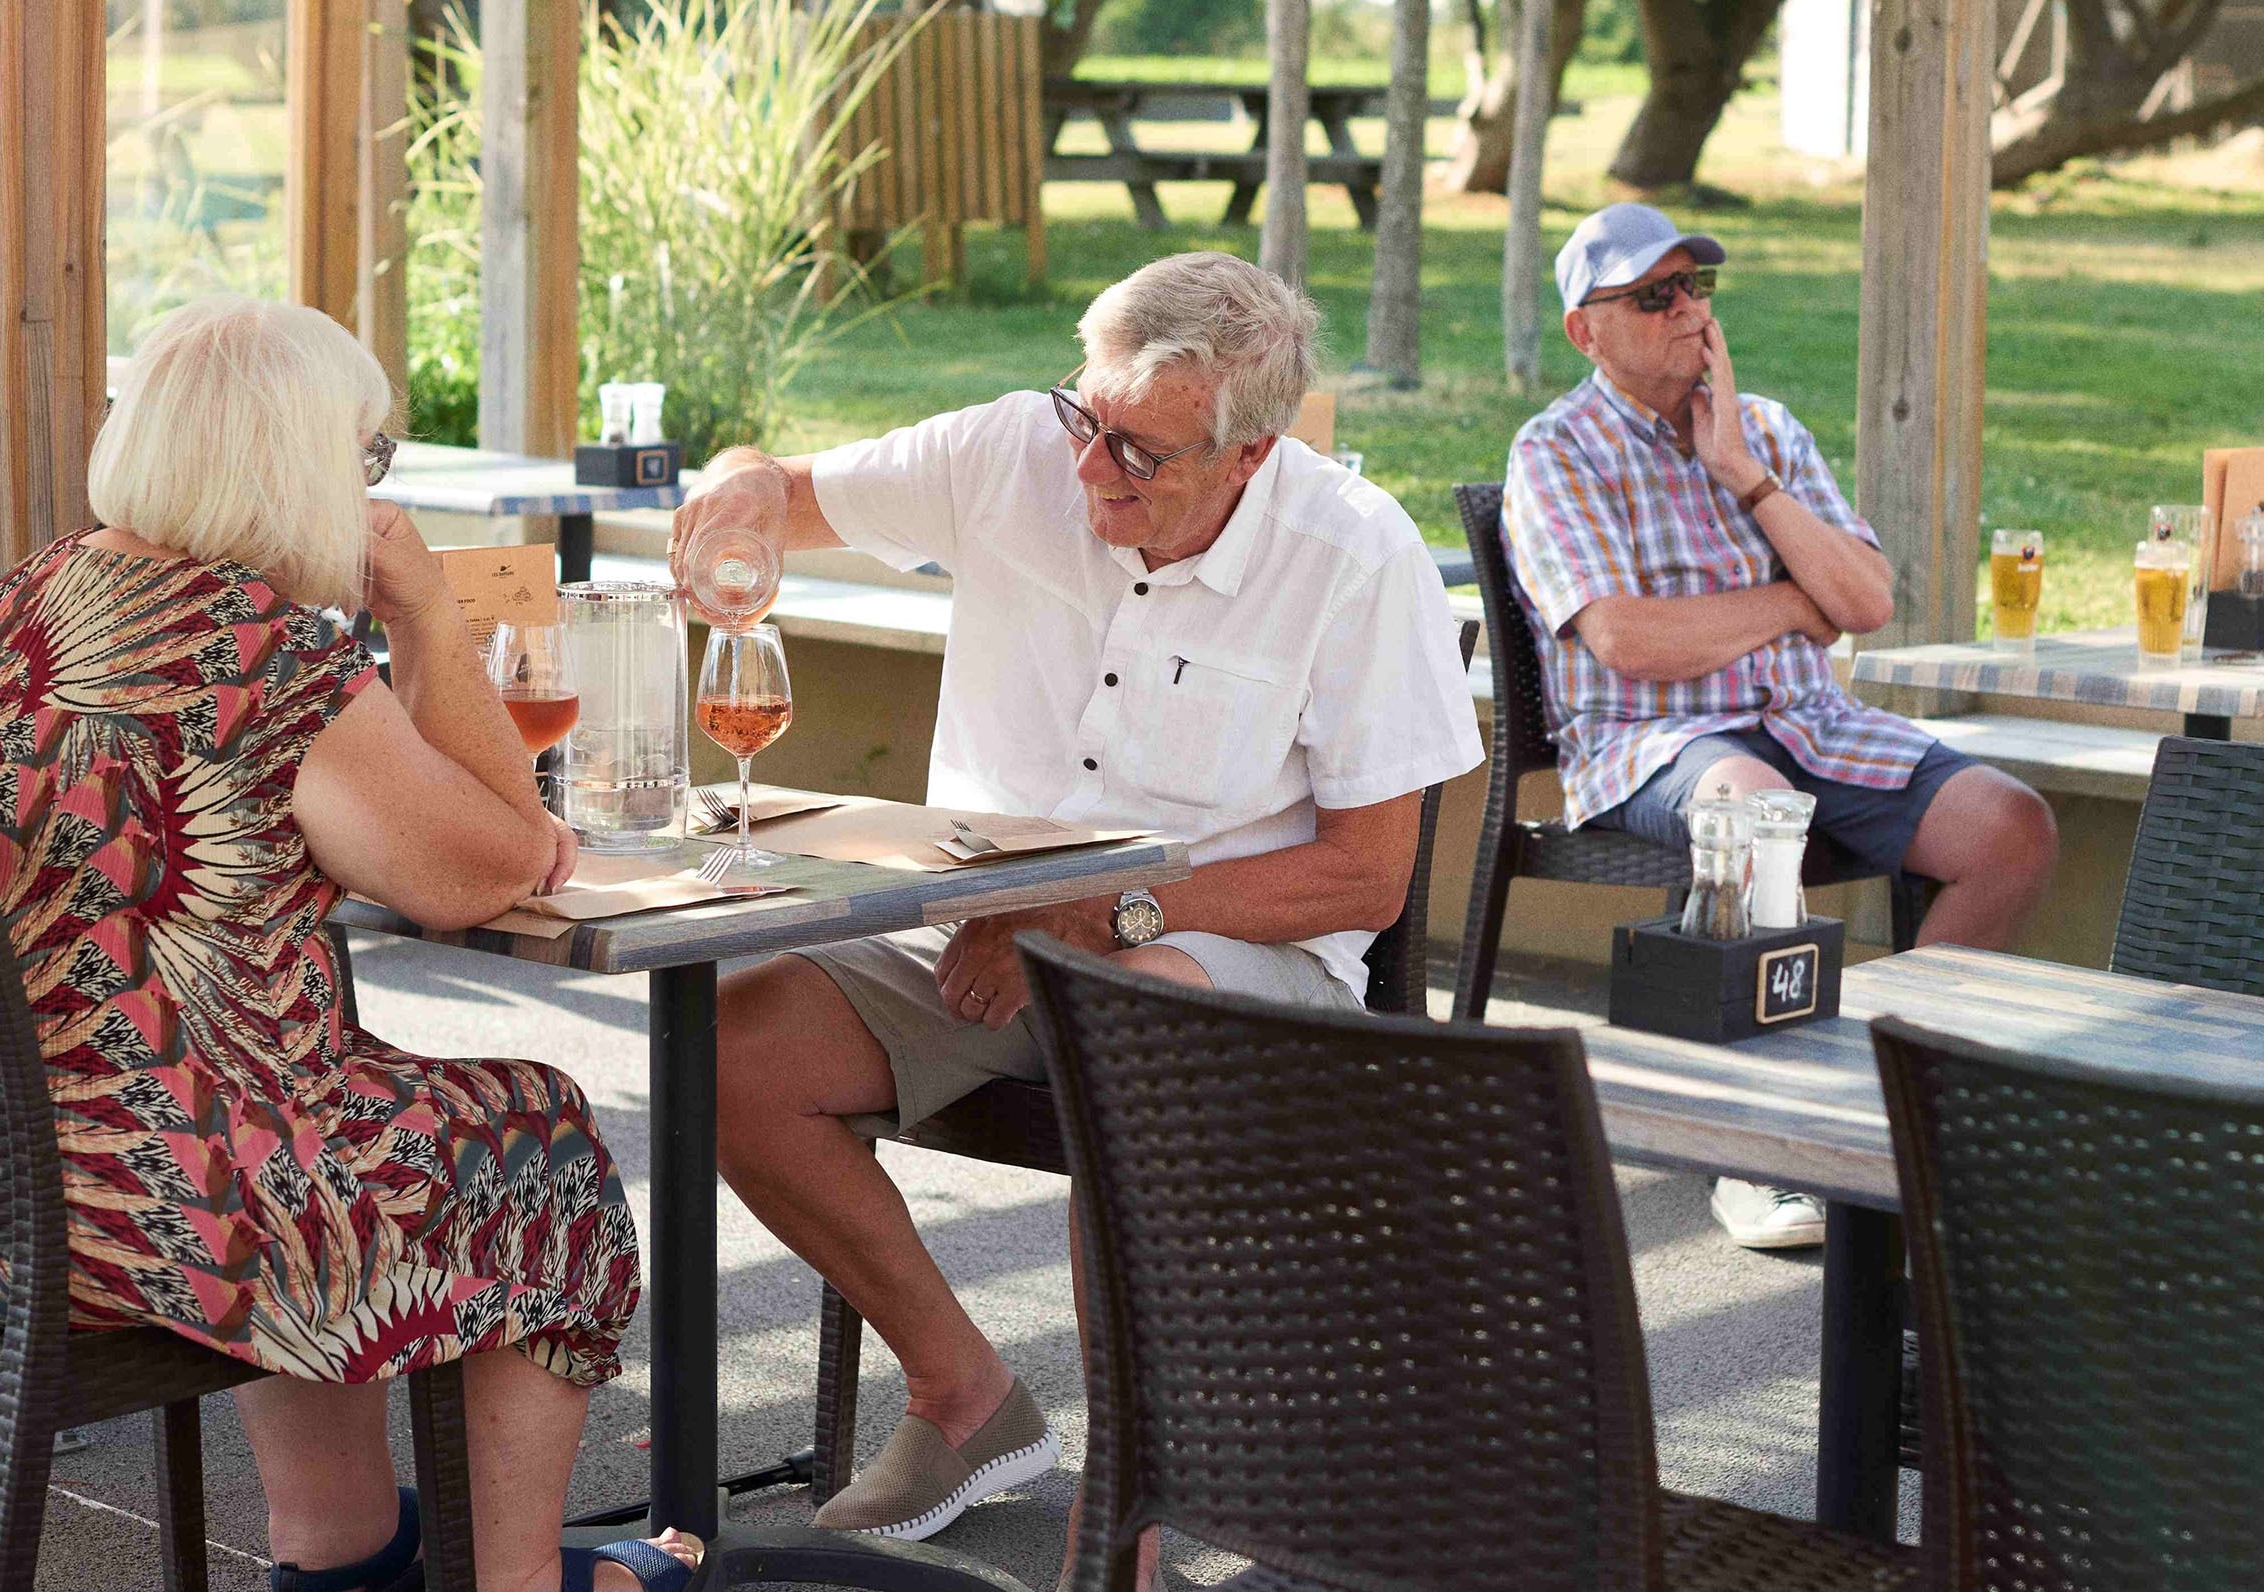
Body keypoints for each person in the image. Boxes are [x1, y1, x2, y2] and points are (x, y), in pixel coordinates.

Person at [0, 298, 698, 1592]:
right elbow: (499, 861)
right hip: (124, 1216)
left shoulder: (30, 596)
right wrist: (427, 613)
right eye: (364, 455)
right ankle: (512, 1582)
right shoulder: (264, 653)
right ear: (298, 463)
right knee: (540, 1141)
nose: (369, 485)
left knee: (309, 1098)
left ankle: (346, 1552)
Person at [674, 253, 1481, 1565]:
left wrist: (1099, 914)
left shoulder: (1354, 553)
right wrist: (739, 500)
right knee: (727, 1042)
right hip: (981, 929)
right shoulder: (1014, 451)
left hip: (1225, 954)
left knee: (1127, 1037)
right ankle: (963, 1394)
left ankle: (1125, 1522)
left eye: (1142, 453)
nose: (1093, 468)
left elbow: (1363, 877)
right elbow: (780, 488)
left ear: (1251, 453)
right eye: (1086, 419)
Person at [1500, 203, 2057, 1251]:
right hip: (1651, 742)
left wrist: (1744, 474)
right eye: (1653, 294)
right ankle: (1759, 1152)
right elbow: (1626, 639)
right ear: (1586, 330)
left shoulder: (1766, 430)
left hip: (1809, 723)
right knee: (1761, 817)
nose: (1686, 309)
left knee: (2010, 827)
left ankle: (1887, 1098)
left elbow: (1867, 599)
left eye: (1695, 286)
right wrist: (1792, 603)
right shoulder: (1556, 450)